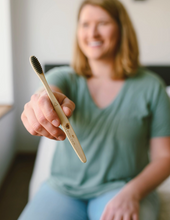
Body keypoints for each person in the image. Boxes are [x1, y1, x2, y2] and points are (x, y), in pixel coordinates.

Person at [19, 0, 170, 219]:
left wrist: (132, 193)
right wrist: (41, 105)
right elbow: (47, 93)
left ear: (121, 28)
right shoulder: (64, 77)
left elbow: (165, 157)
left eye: (103, 23)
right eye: (85, 24)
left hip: (124, 188)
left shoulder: (151, 87)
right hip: (62, 190)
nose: (93, 33)